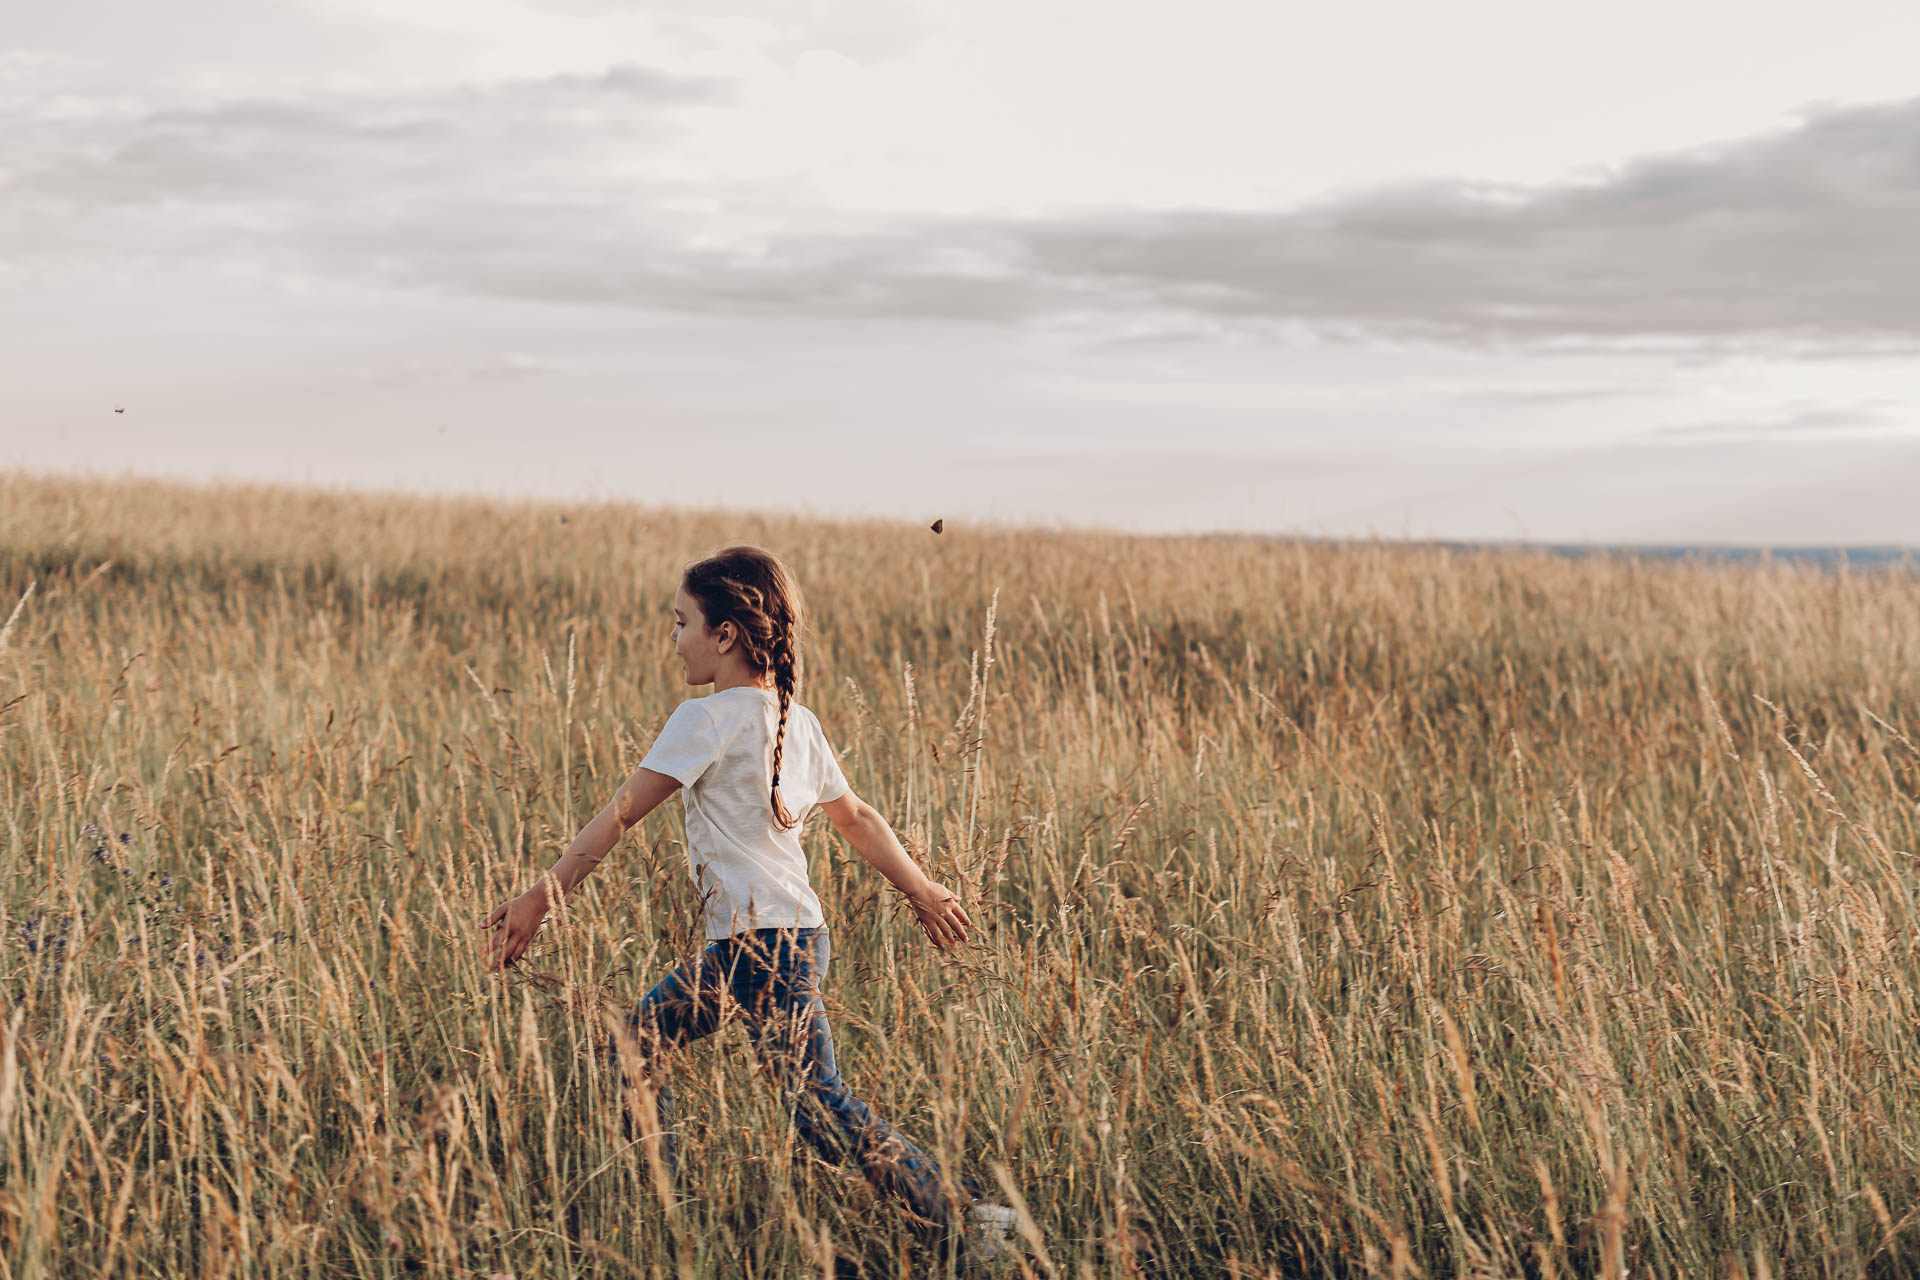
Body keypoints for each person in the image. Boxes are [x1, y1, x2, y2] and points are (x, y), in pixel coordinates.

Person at [481, 545, 1017, 1269]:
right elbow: (856, 817)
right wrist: (921, 889)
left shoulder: (704, 719)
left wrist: (538, 901)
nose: (673, 640)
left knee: (818, 1107)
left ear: (725, 633)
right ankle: (663, 1210)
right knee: (637, 1042)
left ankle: (969, 1217)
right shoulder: (799, 720)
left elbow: (618, 816)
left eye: (681, 623)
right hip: (784, 941)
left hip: (759, 950)